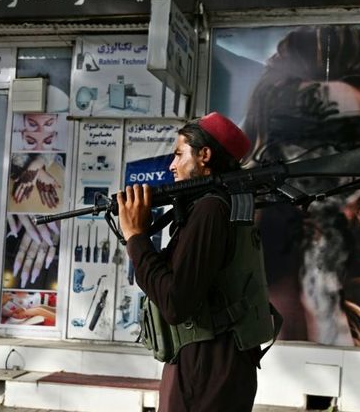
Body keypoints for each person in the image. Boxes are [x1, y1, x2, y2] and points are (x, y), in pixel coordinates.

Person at [242, 25, 360, 346]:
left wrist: (326, 306)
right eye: (302, 136)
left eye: (346, 140)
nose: (320, 161)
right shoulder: (239, 240)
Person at [117, 112, 274, 412]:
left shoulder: (211, 209)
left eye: (178, 154)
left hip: (205, 370)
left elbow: (176, 303)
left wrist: (136, 238)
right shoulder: (222, 204)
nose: (171, 165)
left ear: (205, 155)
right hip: (215, 365)